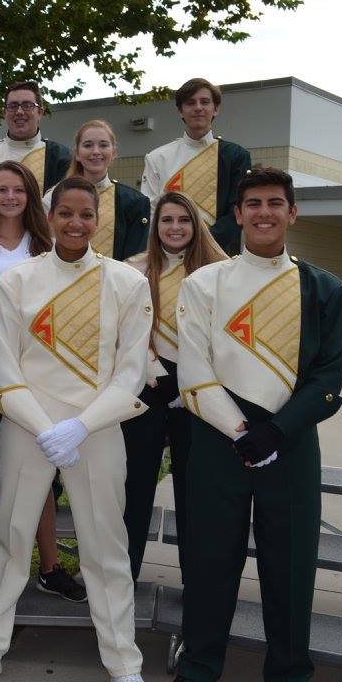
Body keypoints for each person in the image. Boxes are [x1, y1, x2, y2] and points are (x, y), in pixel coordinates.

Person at [153, 167, 342, 682]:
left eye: (276, 203)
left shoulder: (325, 289)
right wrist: (242, 431)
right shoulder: (204, 284)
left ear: (293, 213)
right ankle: (197, 671)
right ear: (237, 214)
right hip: (218, 440)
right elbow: (193, 368)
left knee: (291, 567)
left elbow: (329, 377)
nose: (265, 212)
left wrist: (277, 432)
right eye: (254, 204)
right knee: (209, 561)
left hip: (290, 444)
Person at [0, 175, 154, 682]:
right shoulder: (17, 280)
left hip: (98, 430)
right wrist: (45, 426)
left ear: (98, 220)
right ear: (50, 217)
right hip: (29, 427)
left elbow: (131, 370)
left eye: (85, 214)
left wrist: (81, 426)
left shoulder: (127, 283)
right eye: (65, 213)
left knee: (105, 546)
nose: (75, 223)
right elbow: (4, 363)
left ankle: (124, 662)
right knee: (10, 538)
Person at [0, 162, 83, 603]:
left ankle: (49, 568)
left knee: (37, 474)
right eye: (1, 189)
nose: (10, 197)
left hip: (31, 376)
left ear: (30, 196)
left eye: (18, 190)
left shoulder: (45, 243)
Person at [120, 192, 227, 582]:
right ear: (156, 225)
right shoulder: (133, 269)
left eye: (184, 219)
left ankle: (195, 581)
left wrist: (191, 383)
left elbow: (224, 338)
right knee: (134, 487)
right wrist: (157, 374)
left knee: (195, 490)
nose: (175, 227)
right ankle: (122, 576)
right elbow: (125, 331)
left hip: (200, 392)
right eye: (167, 219)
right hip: (148, 386)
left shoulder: (220, 271)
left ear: (196, 224)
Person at [141, 78, 251, 255]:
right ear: (180, 111)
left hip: (217, 255)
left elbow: (237, 211)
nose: (198, 108)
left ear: (215, 109)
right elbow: (151, 212)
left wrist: (200, 245)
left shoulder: (236, 156)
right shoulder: (157, 158)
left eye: (205, 102)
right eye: (190, 103)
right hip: (167, 255)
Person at [64, 120, 151, 260]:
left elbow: (135, 259)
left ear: (113, 153)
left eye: (103, 145)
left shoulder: (134, 202)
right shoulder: (56, 197)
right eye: (88, 145)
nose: (96, 151)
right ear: (77, 154)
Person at [0, 81, 71, 199]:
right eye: (13, 106)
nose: (19, 112)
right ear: (4, 113)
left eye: (27, 105)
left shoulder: (60, 156)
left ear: (40, 113)